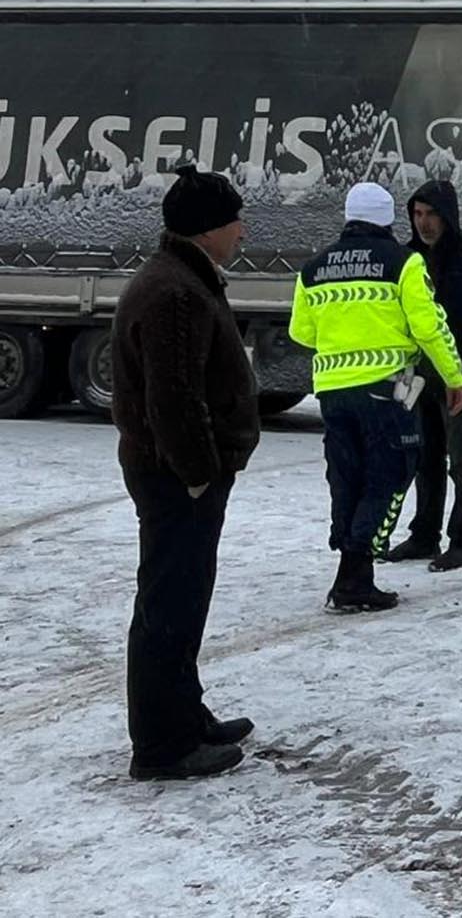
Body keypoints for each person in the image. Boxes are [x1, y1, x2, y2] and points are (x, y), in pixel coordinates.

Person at [110, 165, 262, 780]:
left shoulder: (183, 278)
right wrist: (199, 472)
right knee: (169, 605)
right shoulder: (175, 291)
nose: (242, 231)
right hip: (176, 481)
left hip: (178, 478)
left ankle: (184, 714)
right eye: (234, 221)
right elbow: (171, 400)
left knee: (182, 599)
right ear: (208, 229)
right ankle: (162, 745)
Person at [289, 182, 462, 613]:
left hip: (333, 392)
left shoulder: (313, 268)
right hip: (387, 390)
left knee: (346, 476)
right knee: (388, 476)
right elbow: (428, 326)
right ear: (389, 218)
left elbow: (301, 331)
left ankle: (350, 569)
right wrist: (454, 376)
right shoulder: (404, 263)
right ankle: (355, 574)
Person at [380, 181, 462, 572]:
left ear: (448, 215)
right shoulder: (408, 258)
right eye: (418, 214)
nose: (424, 223)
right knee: (425, 458)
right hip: (420, 376)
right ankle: (424, 534)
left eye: (432, 214)